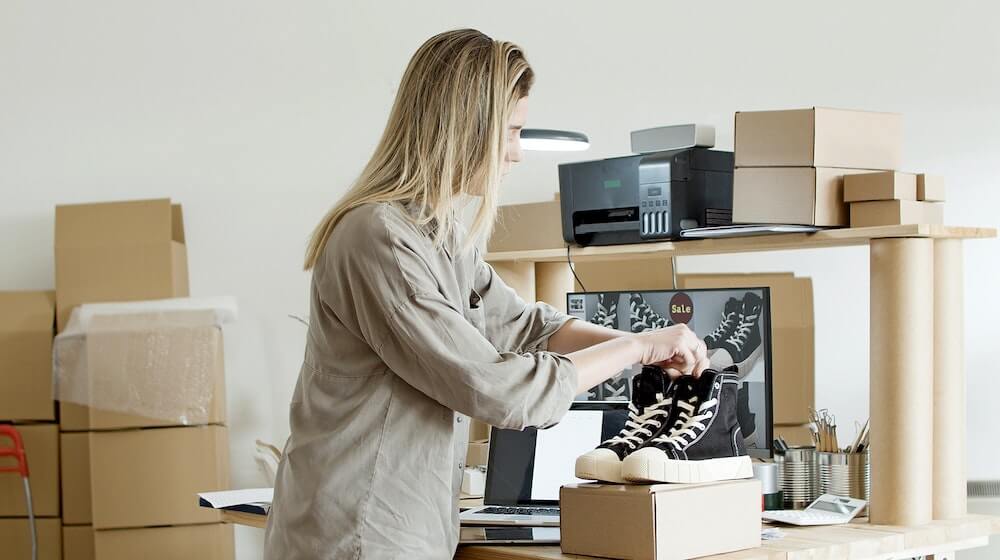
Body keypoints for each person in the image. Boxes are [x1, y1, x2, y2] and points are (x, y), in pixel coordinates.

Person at [263, 28, 709, 559]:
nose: (517, 154)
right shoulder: (379, 238)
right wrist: (637, 351)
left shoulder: (440, 234)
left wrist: (646, 343)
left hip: (407, 527)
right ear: (465, 128)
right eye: (512, 132)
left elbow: (527, 328)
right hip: (357, 534)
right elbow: (499, 389)